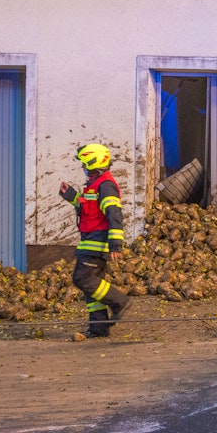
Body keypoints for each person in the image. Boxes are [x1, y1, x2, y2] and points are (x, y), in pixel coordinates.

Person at [59, 143, 131, 338]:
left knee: (82, 278)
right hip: (89, 240)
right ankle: (99, 327)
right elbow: (87, 209)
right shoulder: (94, 185)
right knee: (92, 286)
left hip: (97, 242)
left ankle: (120, 302)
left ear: (93, 163)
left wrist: (116, 243)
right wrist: (71, 195)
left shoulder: (105, 185)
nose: (83, 167)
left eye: (84, 164)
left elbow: (114, 213)